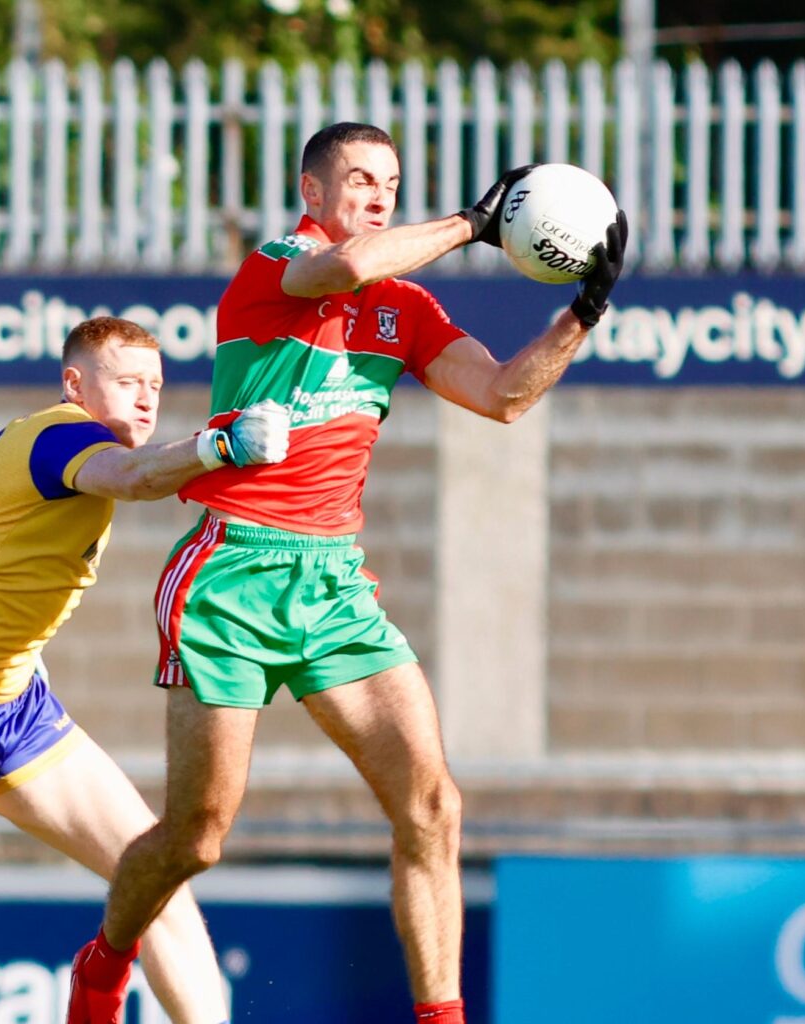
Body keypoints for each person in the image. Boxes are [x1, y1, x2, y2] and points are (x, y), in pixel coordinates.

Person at [66, 122, 627, 1024]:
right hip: (230, 575)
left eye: (390, 183)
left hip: (333, 587)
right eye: (359, 179)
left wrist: (580, 315)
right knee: (197, 839)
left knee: (433, 805)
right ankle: (104, 960)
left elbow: (503, 397)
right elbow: (344, 270)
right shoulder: (277, 265)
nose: (375, 194)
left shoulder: (406, 311)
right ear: (312, 192)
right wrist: (475, 224)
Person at [0, 316, 290, 1024]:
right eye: (127, 384)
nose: (148, 400)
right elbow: (137, 476)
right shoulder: (63, 435)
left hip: (15, 708)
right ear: (75, 385)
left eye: (155, 385)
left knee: (158, 884)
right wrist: (221, 445)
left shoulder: (69, 444)